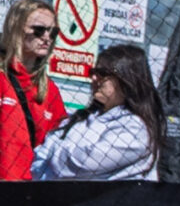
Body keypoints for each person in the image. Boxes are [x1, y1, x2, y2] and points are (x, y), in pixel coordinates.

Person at [0, 0, 69, 180]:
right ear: (16, 29)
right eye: (39, 30)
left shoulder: (49, 89)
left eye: (53, 31)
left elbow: (56, 147)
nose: (47, 37)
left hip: (32, 189)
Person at [32, 43, 163, 181]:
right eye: (93, 72)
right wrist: (68, 154)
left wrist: (55, 151)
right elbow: (39, 159)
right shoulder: (80, 117)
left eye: (102, 74)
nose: (94, 78)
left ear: (126, 78)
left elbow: (83, 164)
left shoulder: (136, 128)